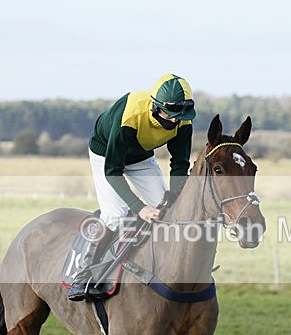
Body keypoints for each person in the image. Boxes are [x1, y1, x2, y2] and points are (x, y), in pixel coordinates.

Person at [68, 73, 196, 301]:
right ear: (156, 106)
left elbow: (179, 164)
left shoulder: (184, 120)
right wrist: (139, 208)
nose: (176, 121)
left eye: (181, 116)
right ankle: (84, 273)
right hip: (106, 155)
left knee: (168, 213)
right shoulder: (130, 115)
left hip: (140, 157)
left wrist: (176, 197)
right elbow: (113, 171)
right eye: (171, 114)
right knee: (116, 215)